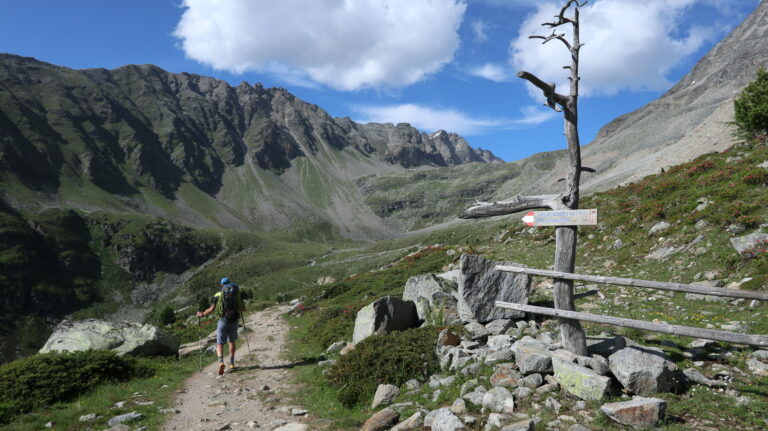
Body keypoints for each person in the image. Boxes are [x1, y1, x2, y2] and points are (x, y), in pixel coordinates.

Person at [197, 277, 246, 375]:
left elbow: (211, 309)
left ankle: (221, 362)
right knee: (231, 341)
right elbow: (243, 309)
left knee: (219, 343)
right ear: (230, 284)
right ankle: (231, 363)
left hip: (223, 320)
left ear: (221, 285)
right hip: (234, 320)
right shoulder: (236, 293)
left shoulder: (218, 294)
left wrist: (202, 314)